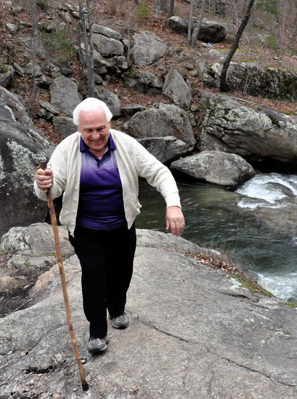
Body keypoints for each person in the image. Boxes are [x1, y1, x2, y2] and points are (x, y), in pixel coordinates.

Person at [34, 97, 185, 354]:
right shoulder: (66, 149)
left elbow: (158, 172)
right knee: (94, 274)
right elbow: (52, 189)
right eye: (88, 130)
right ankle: (97, 331)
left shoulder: (125, 145)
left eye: (100, 128)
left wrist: (173, 205)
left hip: (122, 224)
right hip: (85, 228)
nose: (95, 135)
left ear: (109, 123)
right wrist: (43, 184)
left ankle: (116, 309)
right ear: (78, 129)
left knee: (121, 270)